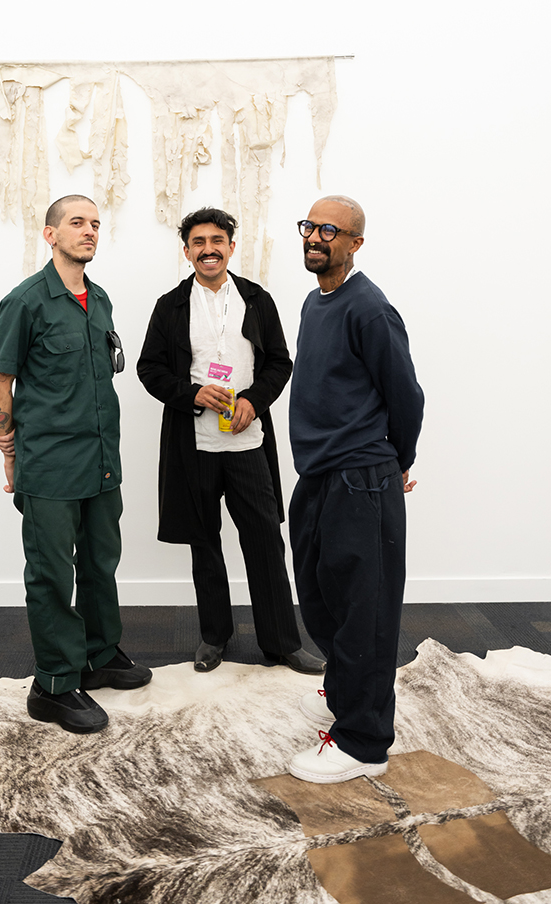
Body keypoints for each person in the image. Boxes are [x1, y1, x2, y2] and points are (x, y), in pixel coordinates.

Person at [0, 194, 151, 735]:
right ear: (50, 234)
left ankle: (99, 655)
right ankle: (54, 684)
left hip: (101, 460)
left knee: (101, 562)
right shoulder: (25, 302)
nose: (89, 231)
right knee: (52, 574)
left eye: (96, 224)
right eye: (77, 222)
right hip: (50, 465)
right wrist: (10, 456)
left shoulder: (98, 299)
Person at [137, 207, 325, 675]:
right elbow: (149, 368)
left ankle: (282, 643)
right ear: (187, 252)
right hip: (194, 445)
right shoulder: (170, 305)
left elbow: (279, 363)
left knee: (265, 542)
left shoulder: (257, 300)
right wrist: (192, 393)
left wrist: (254, 401)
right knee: (204, 544)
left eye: (216, 241)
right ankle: (214, 636)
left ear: (231, 247)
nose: (208, 249)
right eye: (198, 242)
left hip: (247, 441)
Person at [287, 195, 424, 783]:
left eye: (330, 230)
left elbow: (406, 395)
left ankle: (363, 742)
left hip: (362, 477)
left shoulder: (369, 309)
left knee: (365, 611)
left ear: (354, 243)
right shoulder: (315, 302)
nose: (315, 237)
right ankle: (344, 691)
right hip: (319, 474)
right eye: (310, 226)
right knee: (322, 596)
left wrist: (396, 461)